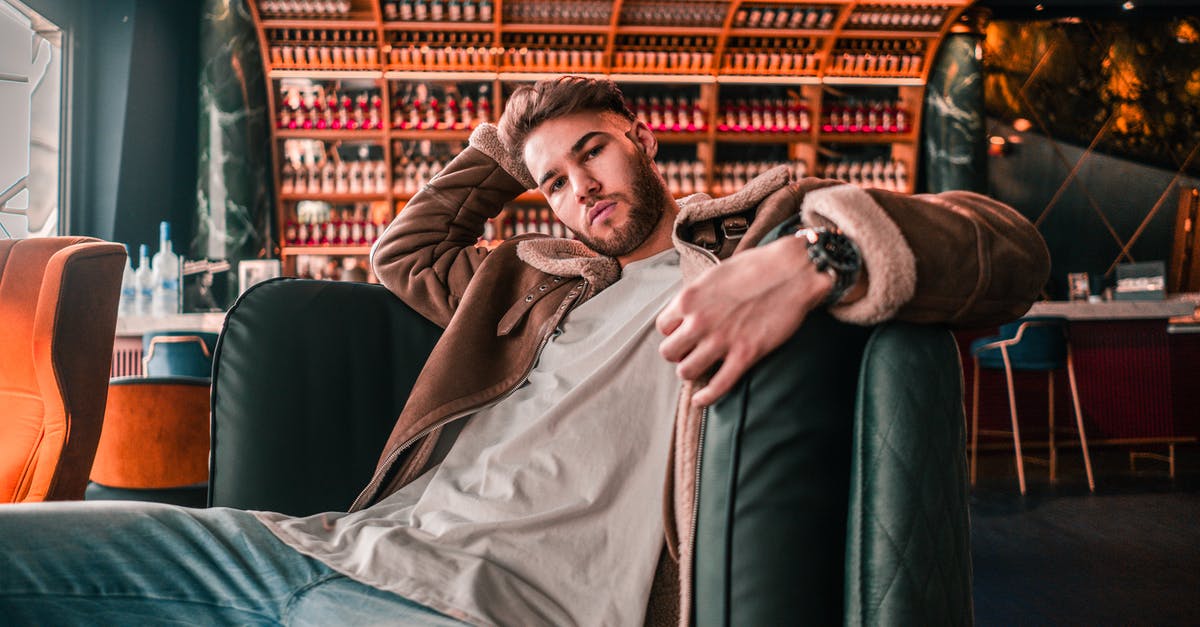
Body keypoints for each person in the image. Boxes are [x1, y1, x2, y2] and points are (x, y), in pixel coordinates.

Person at [0, 76, 1048, 626]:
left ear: (641, 134)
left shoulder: (756, 233)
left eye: (593, 148)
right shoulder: (524, 280)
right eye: (553, 179)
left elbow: (1007, 248)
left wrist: (813, 256)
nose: (579, 187)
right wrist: (515, 143)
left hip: (491, 608)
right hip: (317, 547)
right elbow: (403, 248)